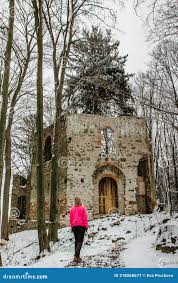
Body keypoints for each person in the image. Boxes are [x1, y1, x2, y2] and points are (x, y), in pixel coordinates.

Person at [69, 197, 88, 263]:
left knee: (77, 241)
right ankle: (76, 256)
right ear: (80, 201)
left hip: (74, 226)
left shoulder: (72, 209)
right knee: (80, 241)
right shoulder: (83, 208)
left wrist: (71, 226)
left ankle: (77, 257)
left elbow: (71, 219)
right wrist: (86, 226)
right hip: (81, 226)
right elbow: (84, 217)